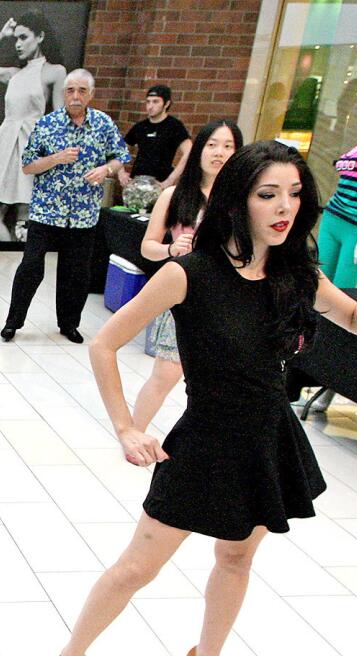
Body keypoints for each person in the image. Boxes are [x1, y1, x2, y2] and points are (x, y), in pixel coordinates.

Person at [32, 141, 357, 656]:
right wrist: (125, 427)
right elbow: (105, 342)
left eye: (295, 194)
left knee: (236, 562)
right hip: (203, 441)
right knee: (136, 568)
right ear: (238, 199)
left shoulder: (295, 268)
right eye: (268, 194)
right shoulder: (188, 272)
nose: (284, 207)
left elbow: (345, 311)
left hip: (268, 438)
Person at [131, 120, 243, 432]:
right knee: (166, 373)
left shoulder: (244, 199)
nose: (219, 153)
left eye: (228, 146)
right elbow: (148, 247)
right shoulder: (175, 196)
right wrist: (170, 249)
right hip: (185, 293)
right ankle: (133, 432)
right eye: (212, 145)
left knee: (223, 378)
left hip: (230, 297)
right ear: (199, 150)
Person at [2, 69, 128, 344]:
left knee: (77, 273)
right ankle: (13, 322)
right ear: (64, 93)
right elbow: (27, 165)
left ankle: (69, 324)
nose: (75, 96)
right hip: (47, 210)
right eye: (70, 90)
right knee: (31, 267)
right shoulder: (47, 124)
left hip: (83, 215)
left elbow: (121, 156)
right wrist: (56, 158)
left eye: (82, 91)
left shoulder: (103, 124)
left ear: (91, 95)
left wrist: (106, 169)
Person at [0, 13, 67, 242]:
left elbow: (60, 119)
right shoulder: (13, 73)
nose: (18, 44)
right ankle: (12, 264)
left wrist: (53, 158)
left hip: (30, 145)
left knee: (20, 220)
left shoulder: (55, 71)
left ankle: (16, 266)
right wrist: (2, 35)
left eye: (23, 37)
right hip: (6, 145)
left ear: (39, 37)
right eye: (16, 39)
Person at [119, 85, 192, 190]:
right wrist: (121, 173)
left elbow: (189, 152)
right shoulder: (140, 126)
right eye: (148, 102)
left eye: (155, 102)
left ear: (166, 104)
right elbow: (120, 149)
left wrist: (170, 180)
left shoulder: (174, 126)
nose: (150, 106)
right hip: (137, 184)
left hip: (160, 184)